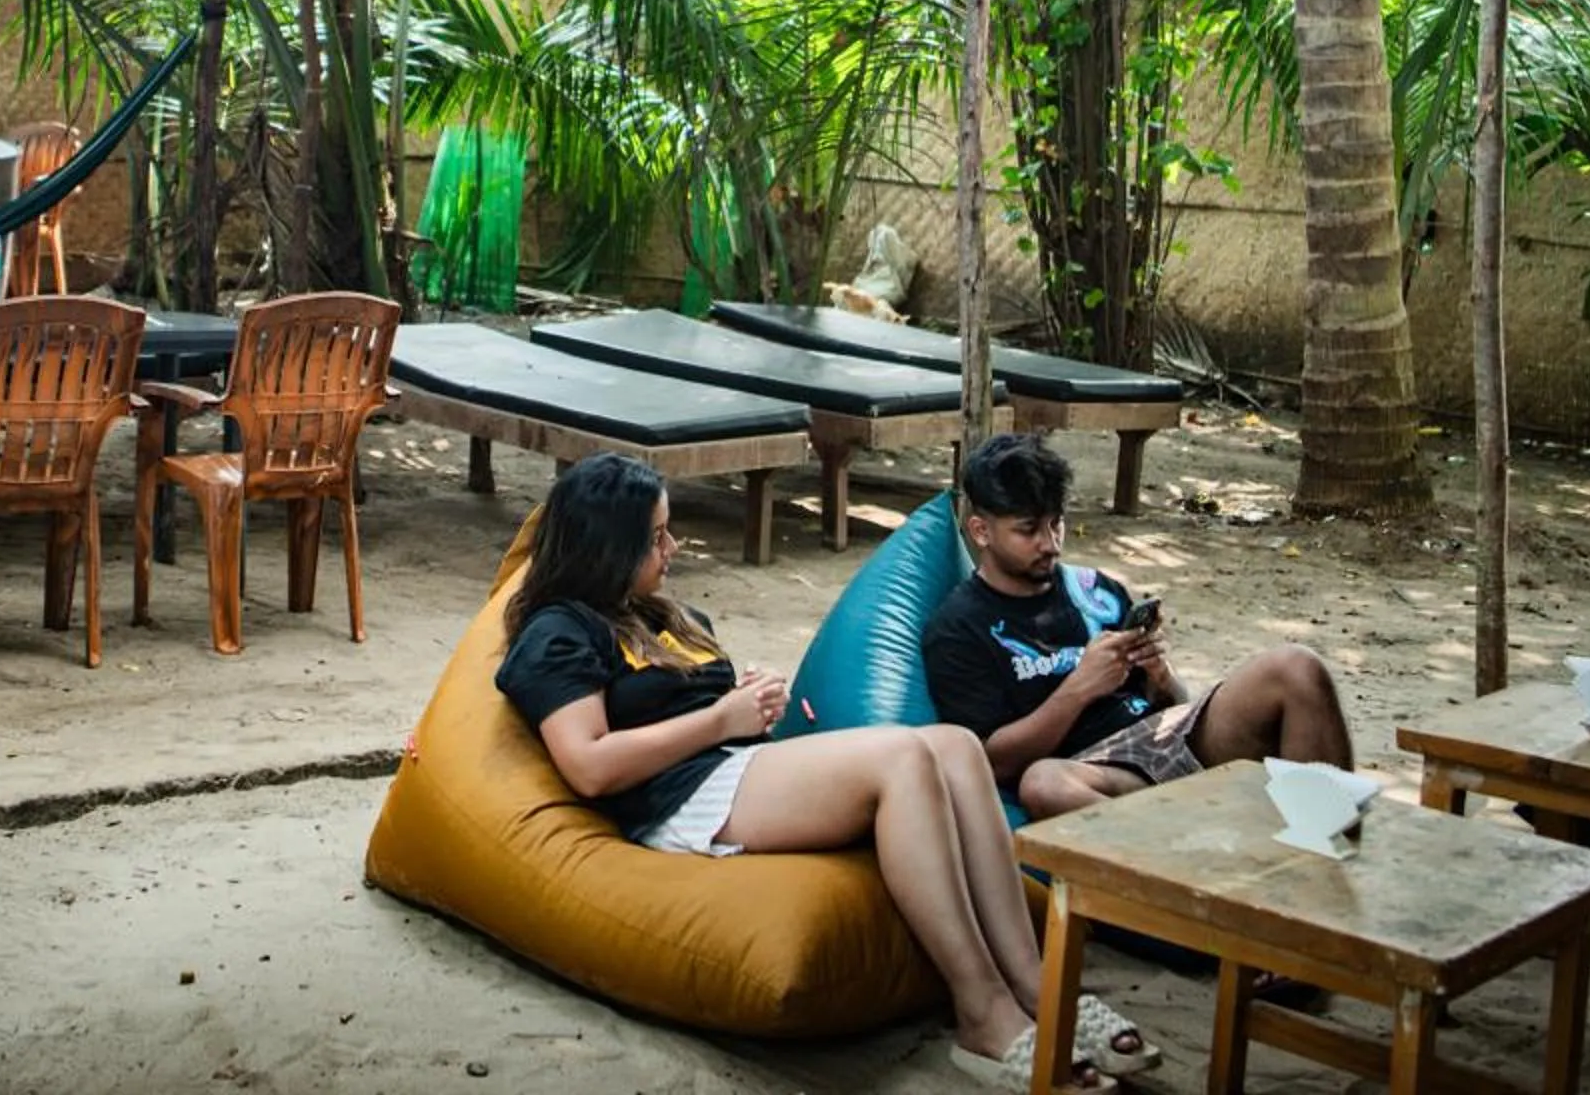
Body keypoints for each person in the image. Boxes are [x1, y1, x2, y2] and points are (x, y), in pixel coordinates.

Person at [496, 454, 1157, 1093]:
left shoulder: (661, 614)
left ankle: (1038, 986)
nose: (672, 546)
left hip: (731, 764)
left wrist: (750, 706)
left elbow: (706, 709)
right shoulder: (562, 631)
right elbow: (587, 767)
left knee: (955, 745)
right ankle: (982, 1011)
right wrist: (719, 721)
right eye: (656, 536)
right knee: (902, 759)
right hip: (677, 800)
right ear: (606, 548)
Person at [924, 433, 1354, 820]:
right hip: (1098, 772)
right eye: (1028, 530)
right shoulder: (961, 628)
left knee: (1296, 667)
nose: (1050, 543)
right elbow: (991, 762)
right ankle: (1198, 860)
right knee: (1044, 784)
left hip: (1169, 741)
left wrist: (1160, 678)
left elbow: (1172, 707)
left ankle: (1329, 840)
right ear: (981, 531)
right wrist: (1079, 688)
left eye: (1056, 523)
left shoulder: (1097, 590)